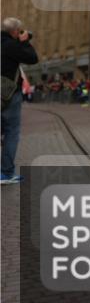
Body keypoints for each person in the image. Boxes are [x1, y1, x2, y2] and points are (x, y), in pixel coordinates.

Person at [2, 18, 39, 185]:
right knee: (11, 132)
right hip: (8, 95)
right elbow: (32, 58)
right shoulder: (11, 45)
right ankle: (5, 173)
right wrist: (24, 42)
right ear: (15, 32)